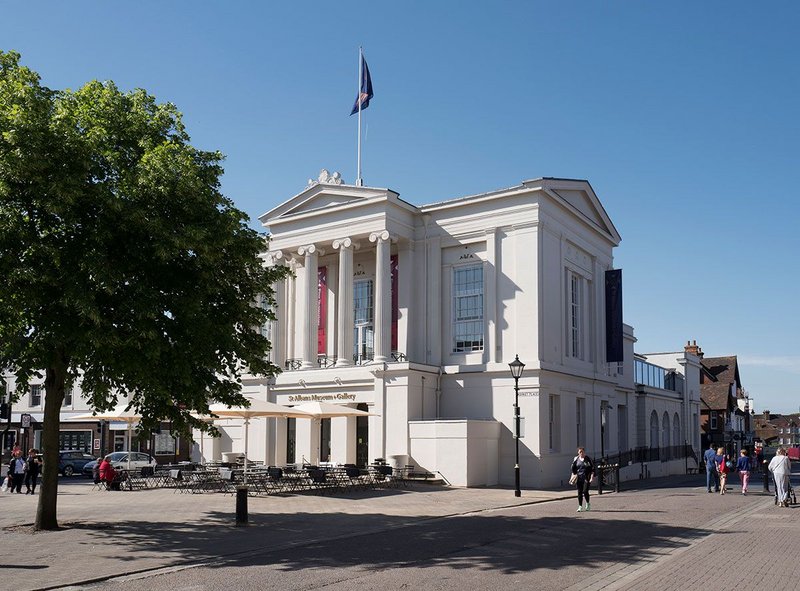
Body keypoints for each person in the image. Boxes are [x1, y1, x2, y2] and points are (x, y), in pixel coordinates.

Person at [571, 447, 595, 512]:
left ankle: (587, 504)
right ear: (578, 453)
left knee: (585, 491)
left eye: (582, 452)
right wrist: (573, 475)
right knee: (579, 492)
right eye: (580, 452)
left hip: (586, 477)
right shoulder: (576, 459)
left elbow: (592, 469)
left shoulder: (587, 459)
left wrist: (591, 477)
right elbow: (573, 469)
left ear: (584, 452)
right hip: (579, 477)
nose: (581, 453)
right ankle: (580, 506)